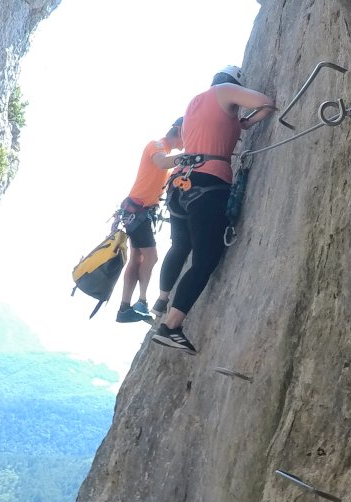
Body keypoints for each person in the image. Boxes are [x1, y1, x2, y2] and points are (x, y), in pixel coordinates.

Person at [151, 66, 274, 353]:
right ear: (233, 84)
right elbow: (266, 103)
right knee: (206, 259)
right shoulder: (225, 91)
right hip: (208, 183)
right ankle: (171, 326)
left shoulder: (194, 103)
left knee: (182, 245)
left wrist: (235, 123)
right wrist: (246, 123)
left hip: (180, 186)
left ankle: (162, 299)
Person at [115, 118, 184, 323]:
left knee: (137, 259)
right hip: (137, 211)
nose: (187, 141)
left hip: (138, 212)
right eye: (187, 134)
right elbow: (162, 161)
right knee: (151, 257)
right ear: (179, 130)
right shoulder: (156, 146)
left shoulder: (165, 157)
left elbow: (164, 177)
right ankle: (141, 302)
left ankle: (125, 308)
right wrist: (189, 156)